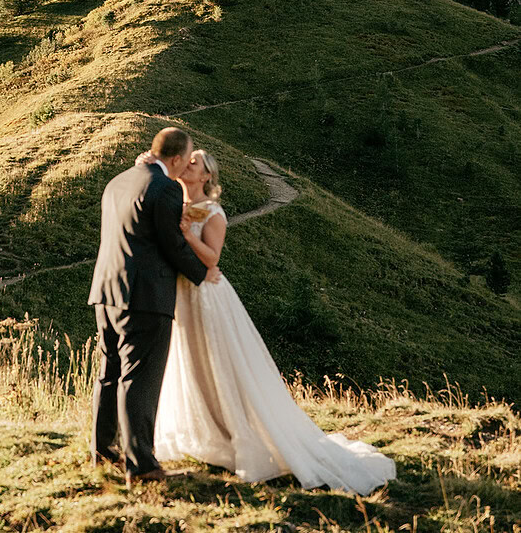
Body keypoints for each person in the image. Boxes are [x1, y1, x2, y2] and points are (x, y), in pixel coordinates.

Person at [141, 147, 397, 495]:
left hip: (207, 296)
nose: (187, 163)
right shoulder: (175, 203)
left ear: (206, 177)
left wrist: (187, 235)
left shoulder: (213, 212)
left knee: (221, 364)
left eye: (195, 162)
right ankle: (209, 432)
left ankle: (240, 435)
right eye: (186, 160)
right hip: (180, 296)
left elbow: (212, 259)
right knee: (191, 364)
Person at [88, 127, 221, 488]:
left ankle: (102, 452)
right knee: (140, 379)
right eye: (187, 158)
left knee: (109, 372)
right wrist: (203, 272)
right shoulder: (163, 188)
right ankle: (142, 465)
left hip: (106, 290)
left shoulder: (118, 181)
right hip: (144, 296)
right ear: (176, 159)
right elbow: (172, 244)